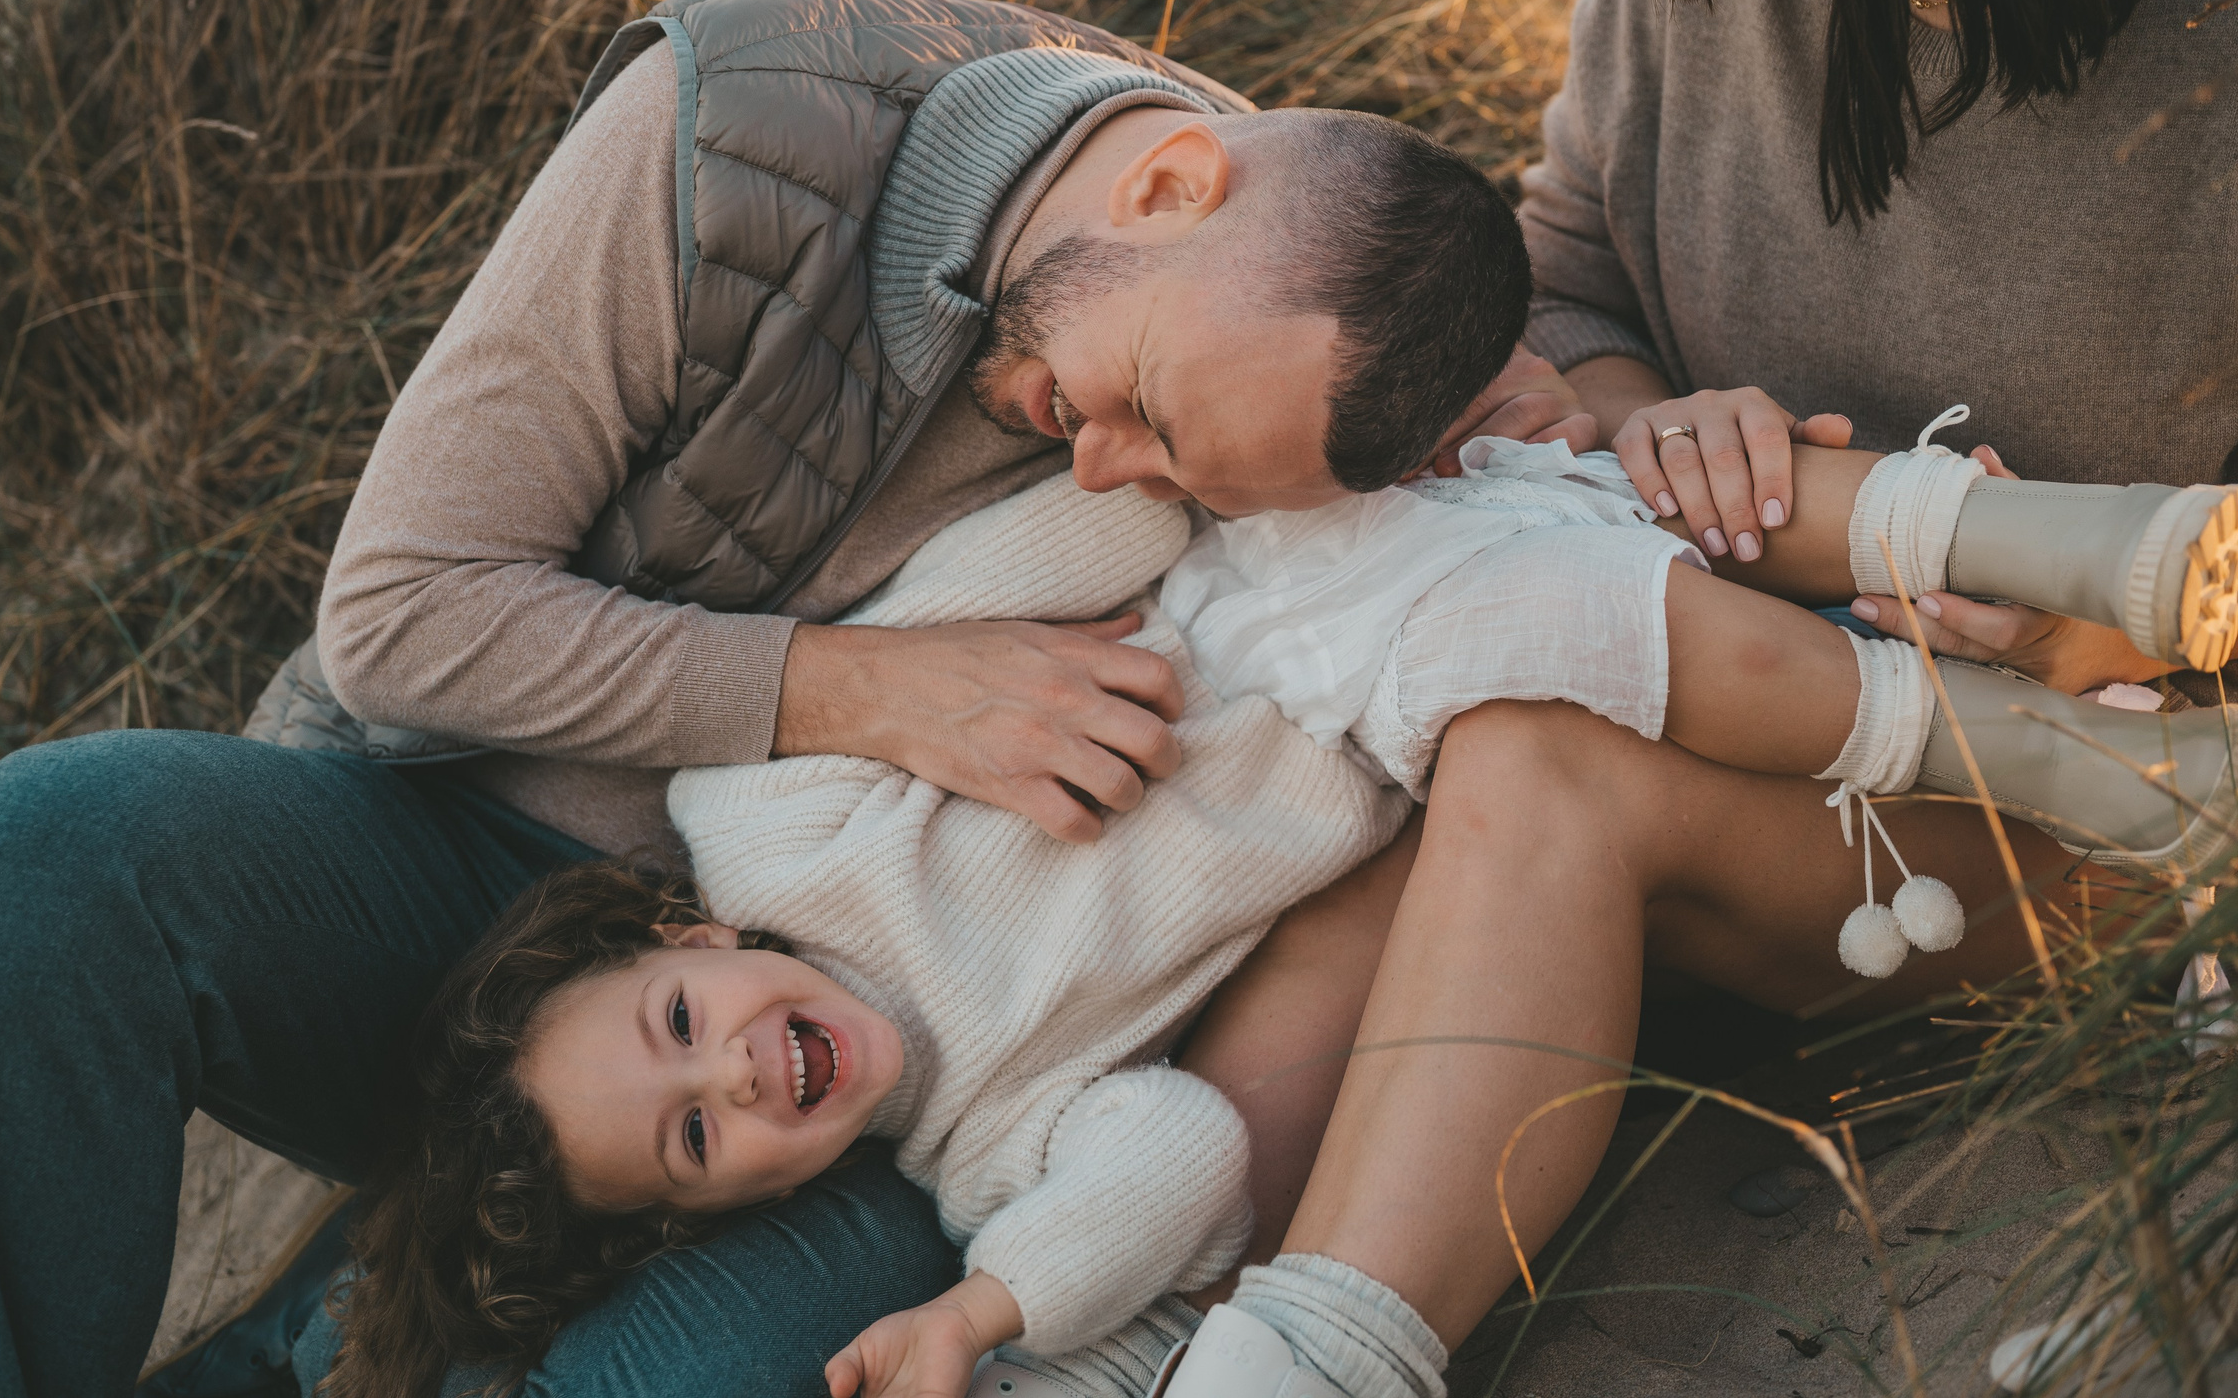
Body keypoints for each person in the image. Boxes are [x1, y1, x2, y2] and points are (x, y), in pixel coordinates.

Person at [0, 0, 1533, 1398]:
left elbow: (1503, 387)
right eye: (1137, 409)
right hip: (472, 874)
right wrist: (856, 691)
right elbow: (400, 615)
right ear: (1164, 185)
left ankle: (322, 1344)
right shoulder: (728, 148)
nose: (1121, 476)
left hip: (886, 1079)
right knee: (59, 840)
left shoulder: (1285, 295)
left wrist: (1615, 408)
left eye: (1179, 463)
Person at [1106, 0, 2236, 1396]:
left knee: (1536, 737)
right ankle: (1187, 1325)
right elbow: (1564, 276)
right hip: (1714, 690)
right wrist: (1651, 413)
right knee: (1489, 700)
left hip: (2110, 808)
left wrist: (2103, 644)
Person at [328, 409, 2237, 1398]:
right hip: (1515, 729)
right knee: (1522, 688)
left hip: (1335, 597)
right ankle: (2074, 712)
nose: (738, 1085)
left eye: (682, 1037)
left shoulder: (772, 815)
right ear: (737, 1210)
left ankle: (2099, 586)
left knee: (1559, 499)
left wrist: (1126, 491)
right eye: (692, 1147)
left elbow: (1066, 551)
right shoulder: (985, 1150)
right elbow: (1169, 1157)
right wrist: (995, 1299)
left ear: (682, 936)